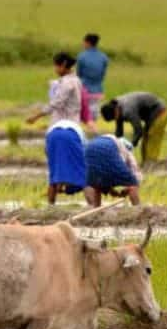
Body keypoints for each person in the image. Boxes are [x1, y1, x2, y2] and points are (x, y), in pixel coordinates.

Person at [26, 53, 89, 204]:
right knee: (82, 171)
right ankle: (91, 205)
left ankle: (51, 206)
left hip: (63, 128)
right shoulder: (74, 81)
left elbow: (57, 103)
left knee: (54, 172)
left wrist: (36, 115)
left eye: (56, 65)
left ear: (63, 65)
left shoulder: (68, 83)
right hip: (72, 128)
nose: (55, 68)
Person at [101, 92, 167, 163]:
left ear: (115, 111)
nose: (116, 120)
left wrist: (128, 147)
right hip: (149, 115)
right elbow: (119, 133)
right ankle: (147, 162)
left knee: (152, 134)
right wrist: (117, 147)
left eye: (114, 118)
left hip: (158, 110)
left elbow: (138, 131)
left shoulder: (128, 110)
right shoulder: (116, 106)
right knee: (146, 140)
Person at [84, 135, 143, 207]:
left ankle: (95, 210)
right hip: (108, 147)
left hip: (89, 149)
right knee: (133, 184)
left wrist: (109, 189)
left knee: (97, 185)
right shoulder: (125, 149)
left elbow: (105, 173)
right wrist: (130, 187)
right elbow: (134, 170)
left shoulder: (109, 140)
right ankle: (138, 208)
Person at [77, 33, 109, 121]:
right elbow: (103, 75)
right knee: (94, 116)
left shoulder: (81, 56)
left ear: (88, 43)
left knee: (83, 115)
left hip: (84, 90)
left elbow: (78, 75)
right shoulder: (104, 57)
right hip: (98, 91)